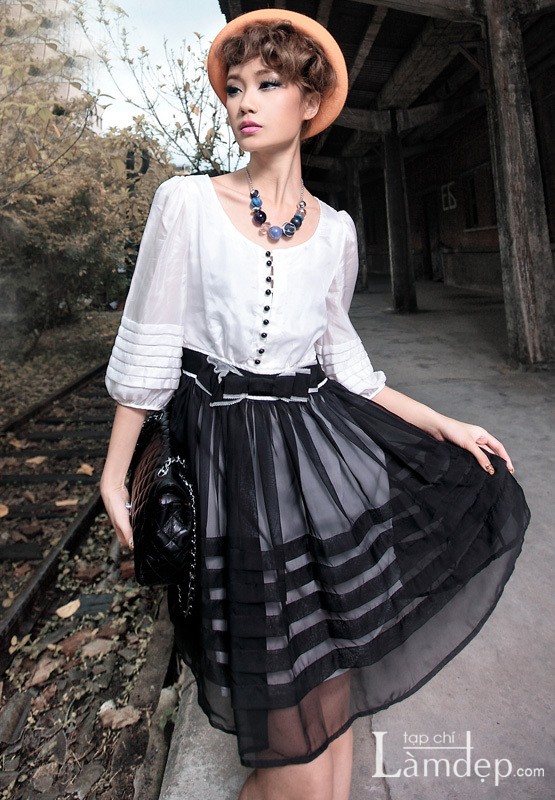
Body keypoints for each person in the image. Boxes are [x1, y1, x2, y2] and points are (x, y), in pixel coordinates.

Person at [100, 9, 530, 800]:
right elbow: (151, 343)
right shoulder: (185, 204)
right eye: (235, 88)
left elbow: (347, 368)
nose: (243, 102)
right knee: (289, 738)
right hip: (229, 468)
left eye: (267, 84)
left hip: (313, 461)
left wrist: (442, 422)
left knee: (328, 711)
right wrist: (116, 469)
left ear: (309, 101)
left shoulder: (335, 232)